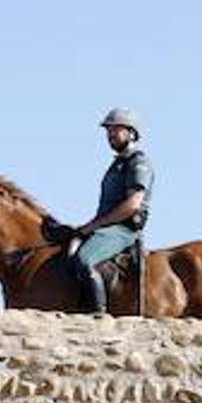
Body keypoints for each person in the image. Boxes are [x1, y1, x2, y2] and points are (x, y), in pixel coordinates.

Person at [66, 108, 154, 314]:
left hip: (124, 230)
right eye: (108, 131)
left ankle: (99, 314)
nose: (110, 135)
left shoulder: (138, 163)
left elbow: (133, 204)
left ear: (131, 133)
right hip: (106, 227)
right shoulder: (117, 164)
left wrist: (92, 226)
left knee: (84, 259)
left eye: (116, 130)